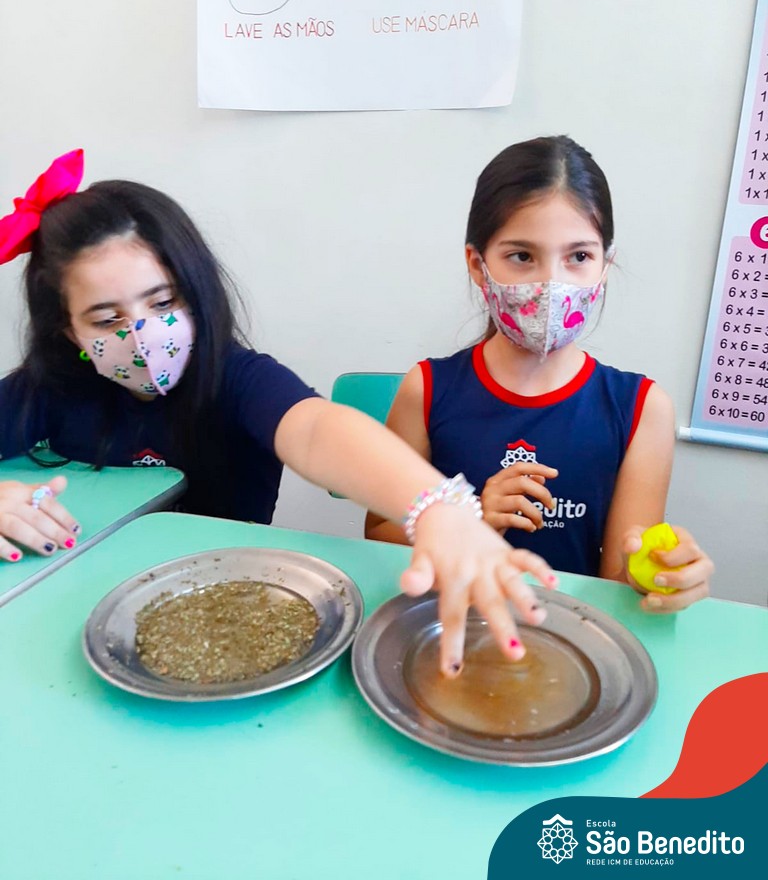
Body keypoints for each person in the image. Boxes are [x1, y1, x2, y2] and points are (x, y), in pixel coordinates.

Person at [0, 149, 558, 674]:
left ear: (197, 292)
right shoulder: (50, 388)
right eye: (106, 320)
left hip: (224, 619)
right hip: (71, 613)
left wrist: (438, 507)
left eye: (163, 302)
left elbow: (315, 429)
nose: (143, 335)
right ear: (68, 330)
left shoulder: (238, 379)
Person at [366, 136, 714, 612]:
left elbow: (620, 579)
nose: (552, 284)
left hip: (567, 634)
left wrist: (661, 573)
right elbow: (377, 535)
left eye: (579, 257)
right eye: (522, 256)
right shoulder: (426, 390)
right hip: (443, 622)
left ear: (605, 264)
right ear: (478, 264)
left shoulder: (641, 409)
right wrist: (468, 520)